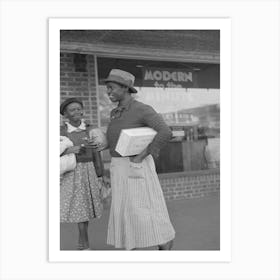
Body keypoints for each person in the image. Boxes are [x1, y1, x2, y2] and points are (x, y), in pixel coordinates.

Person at [103, 69, 175, 250]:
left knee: (147, 210)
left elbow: (165, 132)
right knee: (127, 213)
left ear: (125, 88)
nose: (108, 92)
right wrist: (101, 145)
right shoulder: (115, 113)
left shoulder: (141, 109)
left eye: (111, 88)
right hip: (119, 168)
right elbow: (119, 139)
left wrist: (141, 156)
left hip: (136, 166)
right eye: (107, 88)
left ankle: (165, 246)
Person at [60, 98, 103, 250]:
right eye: (72, 110)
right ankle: (84, 243)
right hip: (72, 171)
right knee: (79, 207)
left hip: (89, 170)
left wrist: (100, 173)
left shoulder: (90, 129)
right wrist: (70, 149)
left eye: (79, 108)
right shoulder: (61, 131)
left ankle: (83, 243)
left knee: (85, 207)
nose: (77, 112)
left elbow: (98, 152)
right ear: (65, 114)